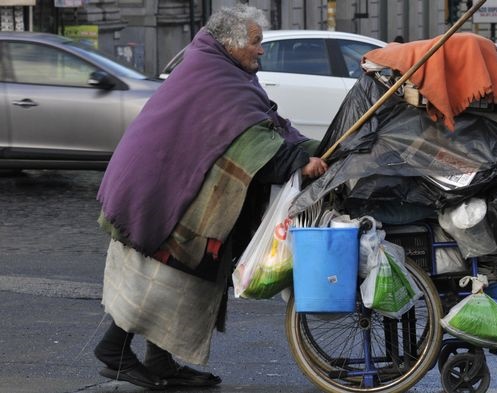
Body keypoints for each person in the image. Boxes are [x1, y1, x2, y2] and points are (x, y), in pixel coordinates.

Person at [93, 5, 327, 389]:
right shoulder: (215, 76)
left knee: (178, 276)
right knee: (156, 276)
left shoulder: (224, 69)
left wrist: (312, 148)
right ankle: (112, 350)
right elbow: (251, 141)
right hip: (158, 193)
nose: (261, 50)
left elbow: (266, 124)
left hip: (170, 186)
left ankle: (159, 360)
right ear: (230, 44)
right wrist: (298, 164)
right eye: (256, 42)